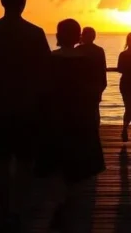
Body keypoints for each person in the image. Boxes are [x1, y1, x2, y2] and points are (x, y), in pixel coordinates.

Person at [0, 0, 51, 233]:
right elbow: (46, 73)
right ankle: (17, 211)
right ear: (24, 2)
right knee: (25, 162)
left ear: (1, 1)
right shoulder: (35, 33)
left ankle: (4, 208)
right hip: (27, 107)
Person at [36, 19, 105, 230]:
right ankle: (70, 205)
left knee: (56, 164)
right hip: (80, 118)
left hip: (55, 119)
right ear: (78, 37)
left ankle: (60, 204)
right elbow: (99, 85)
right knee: (79, 166)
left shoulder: (49, 59)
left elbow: (42, 88)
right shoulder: (88, 60)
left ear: (58, 35)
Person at [75, 26, 107, 119]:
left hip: (81, 88)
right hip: (95, 87)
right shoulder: (99, 50)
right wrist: (102, 87)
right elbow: (103, 70)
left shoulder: (78, 50)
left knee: (81, 114)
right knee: (94, 113)